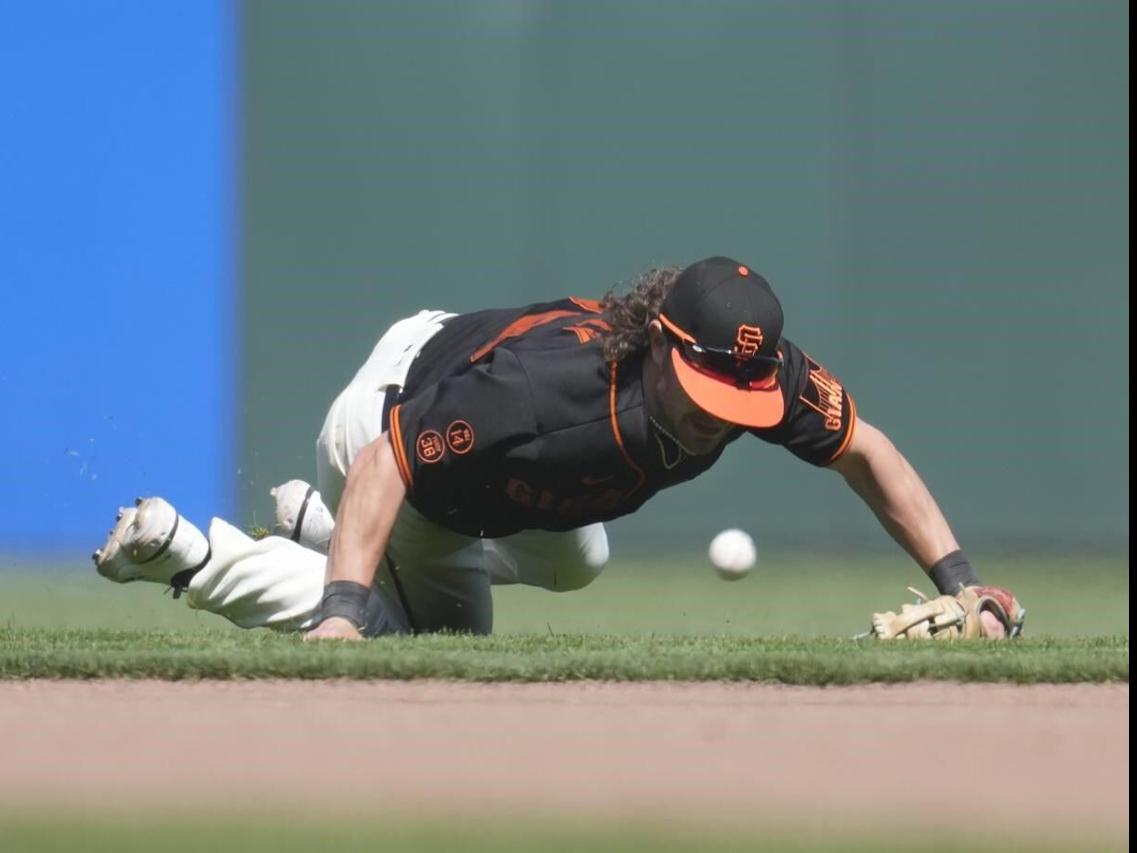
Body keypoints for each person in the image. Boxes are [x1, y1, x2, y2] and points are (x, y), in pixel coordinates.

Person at [93, 256, 1013, 639]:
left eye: (742, 396)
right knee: (421, 644)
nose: (720, 415)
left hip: (486, 442)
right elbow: (393, 459)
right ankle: (199, 553)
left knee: (580, 560)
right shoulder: (540, 397)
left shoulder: (761, 374)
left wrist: (959, 580)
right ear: (657, 342)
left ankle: (313, 523)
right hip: (397, 425)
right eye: (706, 392)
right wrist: (339, 608)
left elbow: (867, 449)